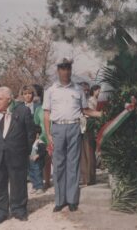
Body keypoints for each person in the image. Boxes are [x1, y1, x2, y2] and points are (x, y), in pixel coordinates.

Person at [43, 57, 102, 212]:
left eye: (68, 68)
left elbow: (85, 110)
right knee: (59, 165)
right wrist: (48, 134)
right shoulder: (51, 90)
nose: (65, 72)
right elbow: (47, 114)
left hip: (74, 127)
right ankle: (59, 200)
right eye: (62, 69)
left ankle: (72, 200)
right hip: (57, 129)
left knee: (73, 164)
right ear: (58, 71)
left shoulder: (78, 90)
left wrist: (101, 114)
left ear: (70, 70)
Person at [0, 87, 35, 224]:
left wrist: (25, 152)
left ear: (9, 99)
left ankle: (19, 210)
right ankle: (0, 212)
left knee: (18, 184)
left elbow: (30, 134)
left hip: (17, 155)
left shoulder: (23, 111)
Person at [80, 84, 101, 185]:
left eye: (87, 90)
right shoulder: (78, 100)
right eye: (83, 90)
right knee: (82, 154)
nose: (85, 92)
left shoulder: (89, 101)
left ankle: (90, 178)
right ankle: (84, 178)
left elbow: (90, 113)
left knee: (89, 152)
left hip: (89, 126)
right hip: (78, 126)